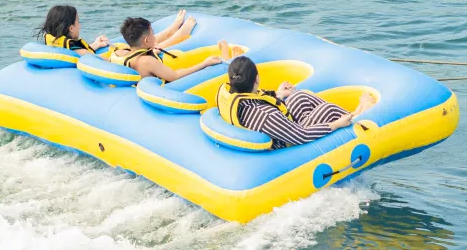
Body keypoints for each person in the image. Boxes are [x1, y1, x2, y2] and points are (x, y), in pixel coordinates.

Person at [217, 56, 376, 149]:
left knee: (300, 97)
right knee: (327, 110)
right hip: (284, 143)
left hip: (273, 128)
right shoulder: (264, 115)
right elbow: (301, 135)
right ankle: (357, 115)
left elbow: (258, 98)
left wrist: (278, 95)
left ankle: (351, 114)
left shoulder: (234, 94)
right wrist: (336, 124)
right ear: (256, 78)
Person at [109, 15, 229, 83]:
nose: (154, 36)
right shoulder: (147, 61)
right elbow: (175, 76)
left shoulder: (120, 52)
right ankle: (225, 61)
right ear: (146, 40)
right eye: (152, 34)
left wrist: (152, 52)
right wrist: (205, 63)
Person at [38, 5, 108, 53]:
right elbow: (93, 58)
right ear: (71, 28)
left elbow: (80, 49)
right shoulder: (75, 48)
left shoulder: (55, 43)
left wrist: (97, 44)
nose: (80, 25)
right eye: (78, 22)